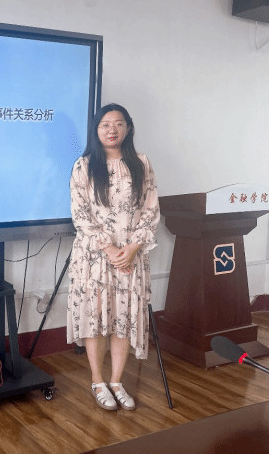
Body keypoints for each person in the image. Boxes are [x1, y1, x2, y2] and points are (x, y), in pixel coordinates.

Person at [67, 103, 160, 411]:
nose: (112, 130)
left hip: (130, 257)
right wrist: (109, 249)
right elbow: (80, 214)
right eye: (105, 124)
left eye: (118, 124)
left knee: (123, 318)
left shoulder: (141, 163)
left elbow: (150, 209)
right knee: (96, 319)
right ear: (96, 130)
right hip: (94, 257)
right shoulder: (84, 165)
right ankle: (98, 381)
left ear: (128, 128)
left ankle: (117, 381)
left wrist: (131, 248)